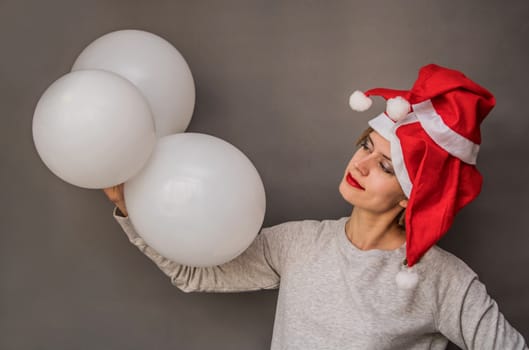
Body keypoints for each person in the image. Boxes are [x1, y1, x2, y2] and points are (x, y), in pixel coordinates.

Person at [104, 64, 528, 349]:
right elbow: (192, 273)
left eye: (383, 165)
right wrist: (131, 210)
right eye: (365, 145)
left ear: (412, 195)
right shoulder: (298, 243)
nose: (359, 164)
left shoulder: (442, 280)